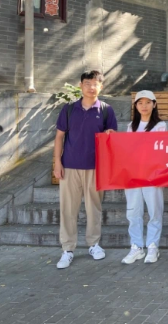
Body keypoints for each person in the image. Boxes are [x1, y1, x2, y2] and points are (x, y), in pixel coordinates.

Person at [53, 70, 118, 269]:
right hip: (70, 166)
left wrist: (110, 133)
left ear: (101, 86)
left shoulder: (106, 110)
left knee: (94, 208)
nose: (91, 87)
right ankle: (67, 249)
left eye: (95, 83)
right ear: (81, 85)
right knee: (68, 209)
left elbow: (112, 137)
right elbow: (59, 137)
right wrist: (57, 162)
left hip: (95, 167)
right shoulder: (68, 109)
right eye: (87, 83)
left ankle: (94, 244)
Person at [122, 90, 167, 264]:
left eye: (148, 102)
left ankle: (153, 246)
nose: (144, 106)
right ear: (136, 106)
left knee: (154, 211)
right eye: (140, 103)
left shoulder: (160, 125)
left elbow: (160, 150)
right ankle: (136, 247)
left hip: (152, 175)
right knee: (133, 211)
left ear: (154, 104)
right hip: (133, 175)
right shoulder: (131, 126)